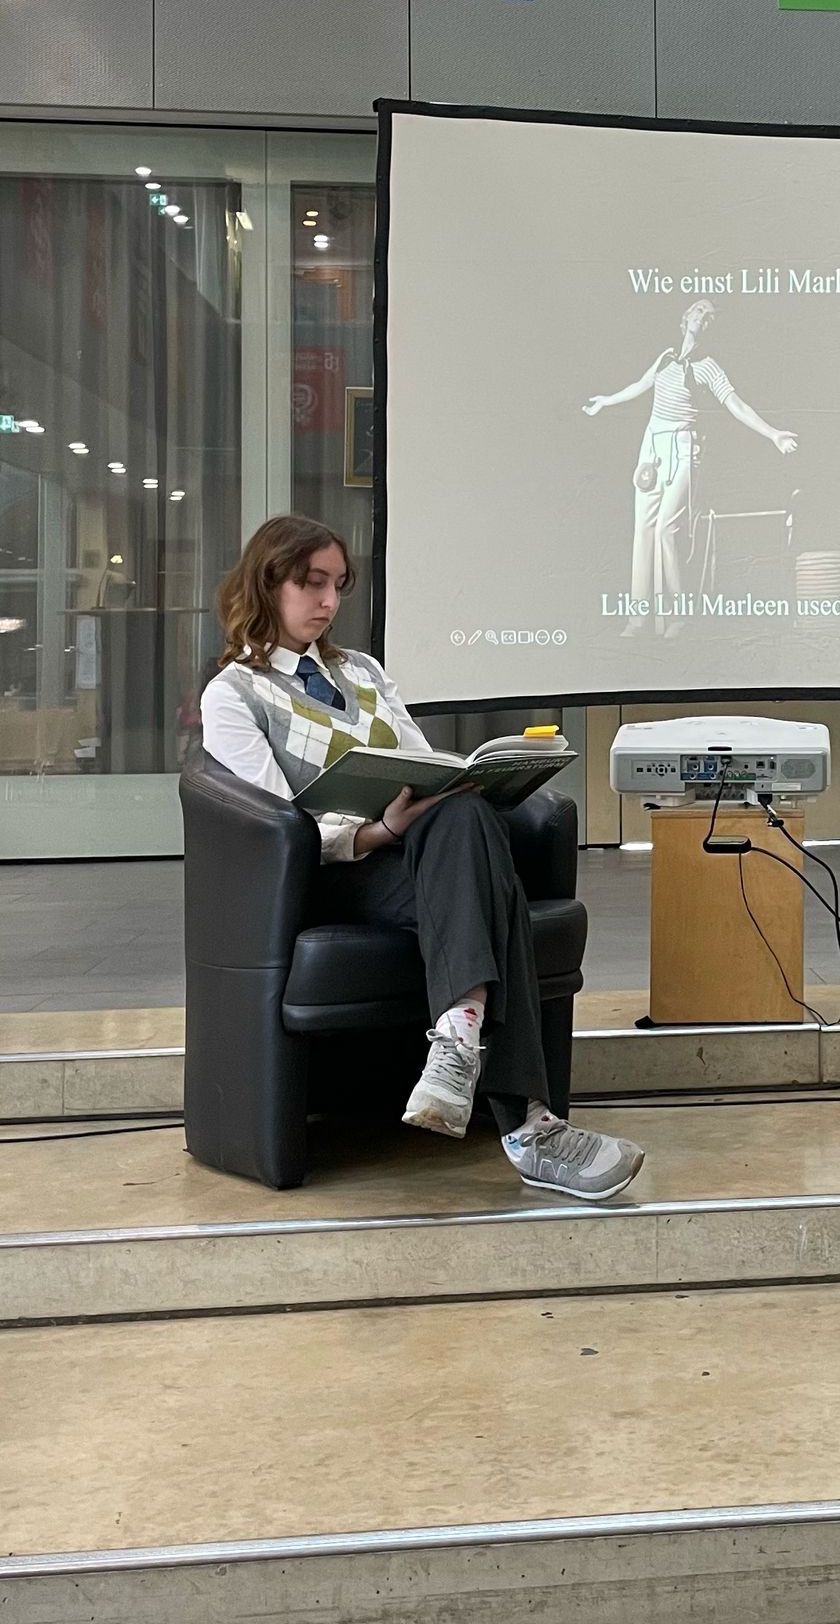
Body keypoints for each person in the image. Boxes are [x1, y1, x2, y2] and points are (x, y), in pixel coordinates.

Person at [199, 514, 644, 1202]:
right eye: (312, 582)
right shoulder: (234, 693)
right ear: (267, 582)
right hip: (330, 875)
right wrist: (377, 831)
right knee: (490, 885)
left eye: (338, 585)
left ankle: (459, 1044)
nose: (328, 601)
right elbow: (276, 825)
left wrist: (460, 784)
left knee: (463, 811)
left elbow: (422, 762)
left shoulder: (363, 672)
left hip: (415, 860)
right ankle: (530, 1128)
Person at [583, 298, 797, 632]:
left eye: (709, 317)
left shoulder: (708, 367)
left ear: (712, 328)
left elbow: (737, 405)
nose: (702, 317)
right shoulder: (666, 357)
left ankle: (678, 617)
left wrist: (773, 434)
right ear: (685, 318)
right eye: (698, 310)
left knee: (667, 530)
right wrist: (606, 401)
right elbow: (640, 385)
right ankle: (637, 620)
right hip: (652, 446)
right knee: (644, 530)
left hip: (683, 449)